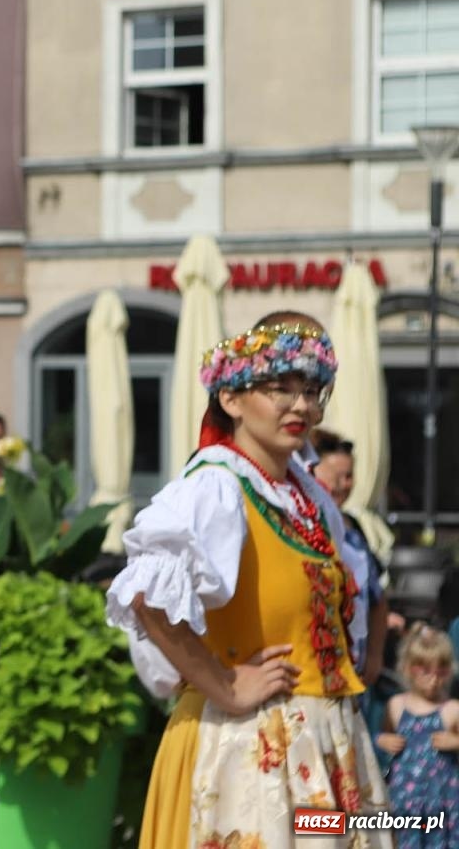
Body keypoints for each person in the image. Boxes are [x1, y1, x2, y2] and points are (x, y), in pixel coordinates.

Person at [106, 320, 390, 847]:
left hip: (323, 739)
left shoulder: (309, 497)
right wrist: (225, 683)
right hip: (246, 744)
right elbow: (146, 596)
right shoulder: (216, 485)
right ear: (232, 399)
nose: (300, 406)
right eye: (279, 388)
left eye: (311, 391)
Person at [314, 427, 392, 685]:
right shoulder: (304, 526)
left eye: (348, 476)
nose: (343, 485)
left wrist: (374, 657)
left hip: (354, 669)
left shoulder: (355, 529)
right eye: (336, 477)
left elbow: (378, 597)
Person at [378, 625, 459, 847]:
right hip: (405, 801)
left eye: (440, 671)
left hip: (443, 801)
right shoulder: (396, 706)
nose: (433, 679)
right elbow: (378, 737)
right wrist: (382, 741)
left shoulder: (451, 709)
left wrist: (455, 742)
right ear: (407, 668)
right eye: (424, 670)